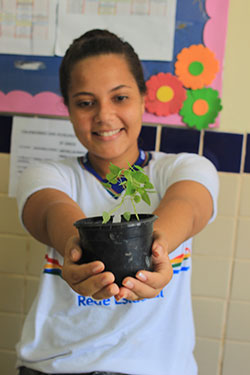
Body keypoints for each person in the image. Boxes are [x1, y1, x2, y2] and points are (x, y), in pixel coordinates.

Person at [16, 29, 219, 375]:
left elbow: (189, 204)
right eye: (85, 102)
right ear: (67, 108)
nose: (104, 116)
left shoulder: (185, 168)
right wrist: (74, 249)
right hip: (56, 368)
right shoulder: (46, 175)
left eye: (120, 98)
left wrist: (157, 250)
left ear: (143, 97)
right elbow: (52, 212)